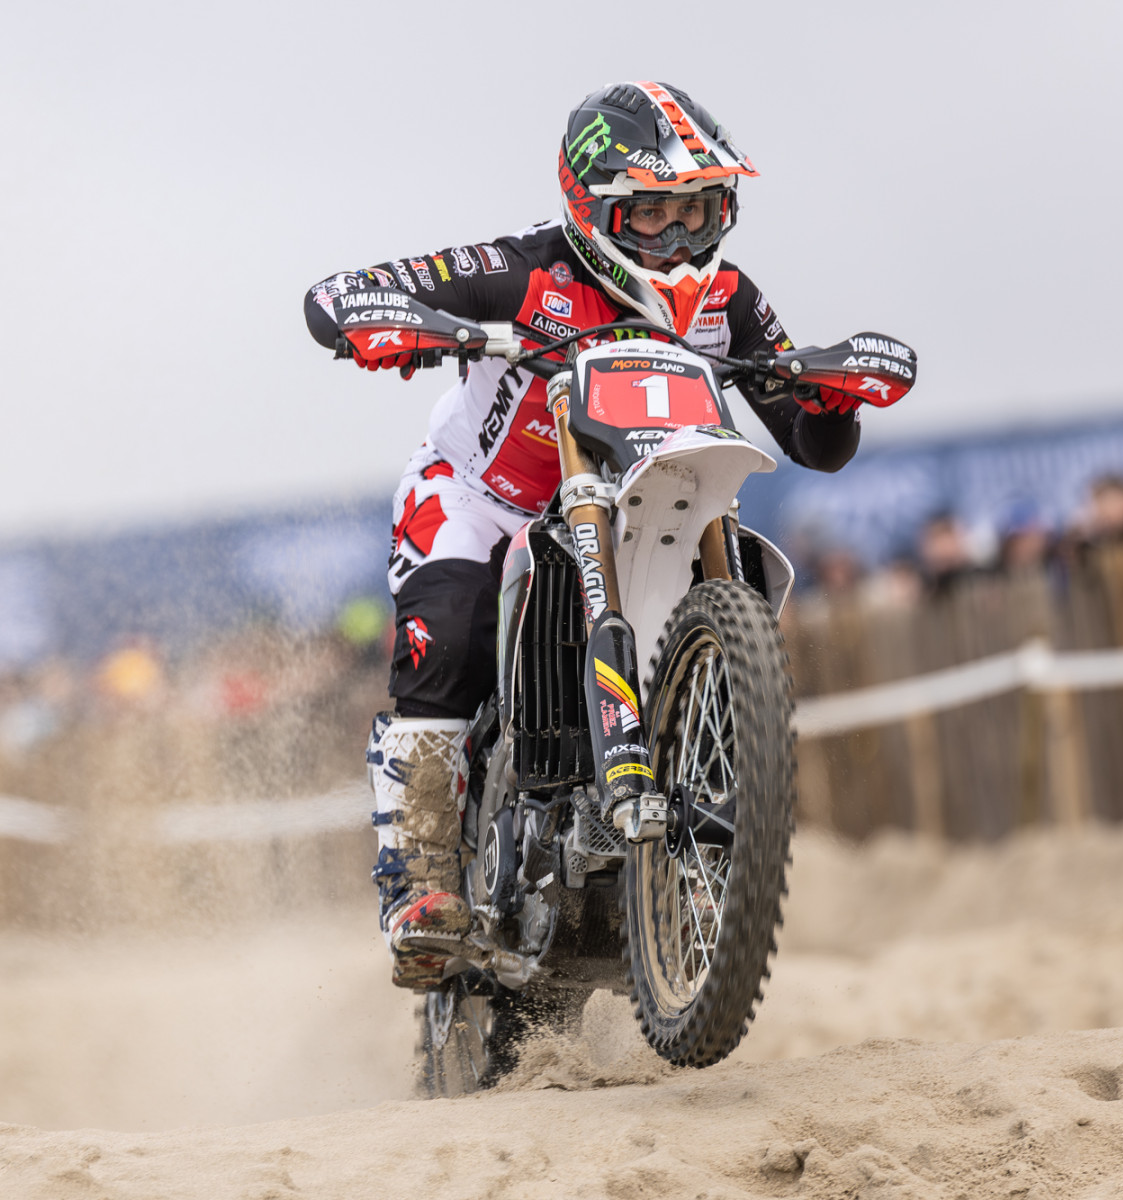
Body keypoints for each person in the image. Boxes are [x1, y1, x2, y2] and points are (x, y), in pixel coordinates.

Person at [303, 82, 895, 989]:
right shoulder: (526, 268)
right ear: (594, 207)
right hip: (485, 499)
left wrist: (829, 399)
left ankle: (702, 819)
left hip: (643, 508)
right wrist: (400, 322)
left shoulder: (726, 299)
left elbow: (813, 442)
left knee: (732, 571)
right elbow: (339, 297)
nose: (679, 237)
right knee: (450, 634)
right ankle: (422, 879)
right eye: (653, 212)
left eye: (699, 211)